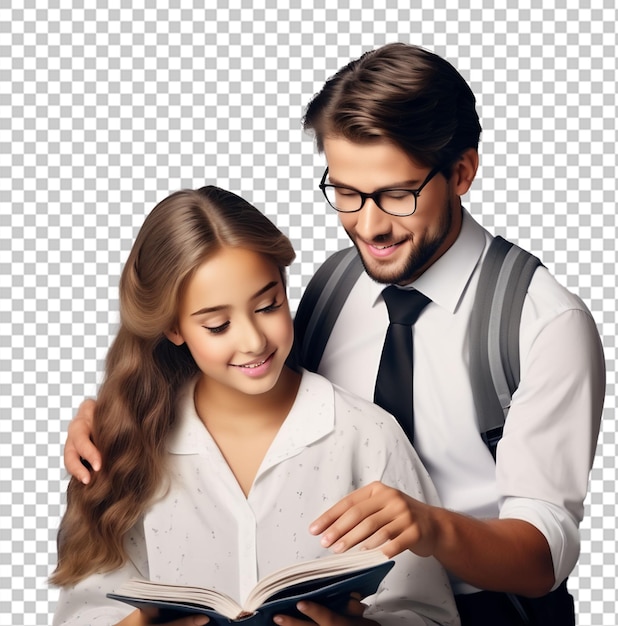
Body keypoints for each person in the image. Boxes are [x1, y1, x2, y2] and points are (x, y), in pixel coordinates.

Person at [62, 44, 606, 625]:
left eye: (397, 194)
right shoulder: (335, 286)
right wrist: (120, 412)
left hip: (493, 609)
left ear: (462, 173)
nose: (368, 226)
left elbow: (544, 555)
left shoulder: (542, 322)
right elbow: (255, 379)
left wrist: (430, 526)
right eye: (346, 192)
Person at [51, 186, 459, 626]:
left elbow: (428, 610)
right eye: (218, 324)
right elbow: (82, 609)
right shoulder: (126, 447)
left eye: (268, 305)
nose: (252, 341)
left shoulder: (367, 435)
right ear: (173, 327)